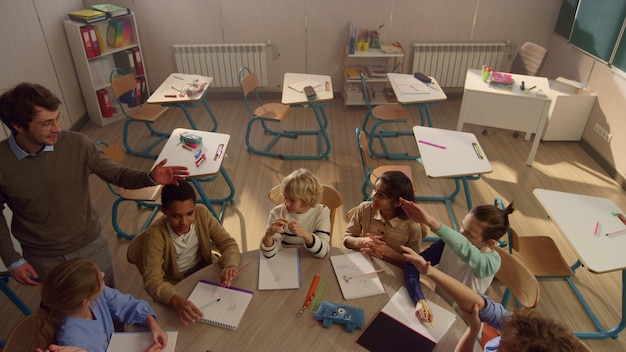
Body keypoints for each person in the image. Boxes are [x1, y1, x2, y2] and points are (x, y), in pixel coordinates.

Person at [0, 82, 188, 287]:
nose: (57, 129)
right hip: (43, 258)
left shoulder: (77, 144)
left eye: (57, 118)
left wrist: (150, 177)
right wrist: (12, 259)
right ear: (17, 126)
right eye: (46, 124)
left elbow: (117, 174)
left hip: (90, 245)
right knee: (67, 314)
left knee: (109, 304)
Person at [401, 247, 579, 352]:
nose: (498, 337)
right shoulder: (520, 334)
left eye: (501, 348)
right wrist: (474, 329)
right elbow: (479, 304)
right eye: (502, 335)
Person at [399, 197, 514, 324]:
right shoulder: (450, 242)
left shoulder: (492, 261)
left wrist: (432, 222)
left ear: (489, 243)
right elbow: (412, 266)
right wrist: (419, 299)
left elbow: (466, 249)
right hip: (437, 308)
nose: (461, 234)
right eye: (462, 226)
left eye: (469, 235)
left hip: (464, 324)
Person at [142, 180, 241, 325]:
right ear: (164, 211)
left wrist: (230, 265)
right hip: (177, 284)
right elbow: (152, 281)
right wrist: (175, 300)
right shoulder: (155, 235)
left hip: (206, 269)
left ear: (194, 207)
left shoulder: (202, 213)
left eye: (189, 213)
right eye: (176, 216)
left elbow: (227, 243)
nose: (184, 221)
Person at [35, 258, 168, 352]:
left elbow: (128, 305)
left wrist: (152, 323)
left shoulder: (97, 296)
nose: (103, 274)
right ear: (86, 301)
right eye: (99, 278)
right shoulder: (73, 341)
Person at [343, 171, 423, 267]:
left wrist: (388, 252)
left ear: (397, 203)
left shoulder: (412, 227)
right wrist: (362, 242)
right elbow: (346, 239)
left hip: (392, 272)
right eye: (374, 189)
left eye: (381, 196)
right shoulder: (365, 209)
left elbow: (414, 264)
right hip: (362, 263)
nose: (373, 196)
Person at [261, 168, 330, 258]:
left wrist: (307, 235)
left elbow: (323, 252)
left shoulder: (322, 212)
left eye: (293, 200)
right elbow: (268, 255)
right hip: (285, 258)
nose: (286, 203)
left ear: (307, 200)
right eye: (285, 197)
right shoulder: (276, 213)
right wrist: (268, 234)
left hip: (310, 258)